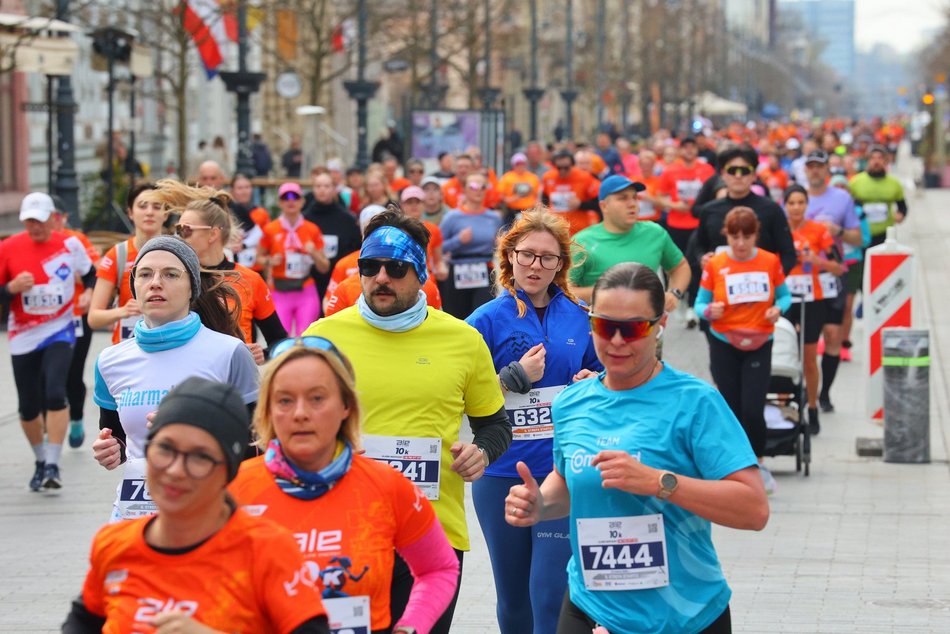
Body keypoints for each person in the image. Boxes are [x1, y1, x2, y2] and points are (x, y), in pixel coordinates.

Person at [506, 262, 769, 634]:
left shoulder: (695, 402)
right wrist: (540, 504)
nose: (616, 341)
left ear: (659, 326)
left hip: (682, 616)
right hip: (589, 604)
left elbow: (754, 509)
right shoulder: (572, 402)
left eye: (631, 328)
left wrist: (658, 482)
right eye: (604, 325)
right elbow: (567, 481)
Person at [303, 209, 512, 634]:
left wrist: (482, 453)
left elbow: (495, 425)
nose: (381, 277)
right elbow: (287, 432)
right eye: (369, 266)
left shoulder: (462, 339)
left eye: (396, 268)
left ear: (419, 274)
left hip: (432, 537)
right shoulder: (322, 337)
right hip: (345, 534)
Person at [64, 377, 331, 634]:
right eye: (165, 449)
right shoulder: (114, 543)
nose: (176, 470)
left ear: (229, 470)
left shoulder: (266, 550)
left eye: (199, 457)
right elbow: (83, 619)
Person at [231, 339, 460, 634]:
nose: (300, 413)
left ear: (345, 406)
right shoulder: (235, 491)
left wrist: (411, 627)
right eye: (285, 400)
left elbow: (439, 568)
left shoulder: (387, 486)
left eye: (317, 398)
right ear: (267, 411)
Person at [466, 209, 602, 634]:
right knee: (513, 597)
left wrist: (592, 381)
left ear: (561, 264)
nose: (535, 266)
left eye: (547, 258)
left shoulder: (580, 317)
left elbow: (613, 377)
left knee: (548, 593)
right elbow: (456, 390)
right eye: (527, 255)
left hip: (559, 472)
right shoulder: (484, 321)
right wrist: (511, 378)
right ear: (509, 257)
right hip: (501, 473)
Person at [91, 237, 260, 521]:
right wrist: (111, 450)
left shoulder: (229, 352)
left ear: (192, 287)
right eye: (145, 274)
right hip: (136, 516)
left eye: (170, 274)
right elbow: (119, 438)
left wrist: (194, 433)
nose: (155, 283)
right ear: (134, 286)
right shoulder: (110, 360)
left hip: (210, 513)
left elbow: (259, 444)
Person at [0, 192, 95, 490]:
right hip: (23, 334)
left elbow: (91, 275)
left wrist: (91, 292)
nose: (35, 227)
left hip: (60, 329)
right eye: (29, 221)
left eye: (40, 221)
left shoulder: (69, 244)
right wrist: (11, 288)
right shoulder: (9, 248)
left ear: (54, 218)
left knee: (55, 392)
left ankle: (54, 463)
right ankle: (40, 459)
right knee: (28, 406)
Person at [695, 207, 792, 494]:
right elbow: (700, 303)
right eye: (735, 236)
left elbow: (784, 296)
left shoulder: (769, 261)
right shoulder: (715, 264)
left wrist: (778, 309)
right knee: (729, 405)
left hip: (760, 341)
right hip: (725, 341)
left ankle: (757, 462)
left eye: (747, 236)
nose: (740, 243)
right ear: (727, 234)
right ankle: (731, 465)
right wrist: (710, 310)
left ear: (755, 235)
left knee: (752, 407)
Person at [159, 179, 287, 361]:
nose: (179, 236)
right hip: (188, 380)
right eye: (178, 230)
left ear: (213, 234)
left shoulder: (249, 279)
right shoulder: (175, 276)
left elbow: (280, 341)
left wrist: (263, 354)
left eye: (186, 230)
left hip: (235, 384)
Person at [569, 175, 690, 313]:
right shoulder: (581, 242)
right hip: (601, 328)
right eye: (623, 198)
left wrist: (674, 293)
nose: (632, 203)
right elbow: (564, 290)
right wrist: (608, 293)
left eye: (635, 197)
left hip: (647, 327)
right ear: (604, 206)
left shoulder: (655, 233)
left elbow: (680, 267)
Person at [802, 150, 863, 410]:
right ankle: (807, 390)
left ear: (827, 169)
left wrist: (836, 230)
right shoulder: (796, 199)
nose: (815, 171)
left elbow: (857, 239)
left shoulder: (842, 198)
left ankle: (825, 393)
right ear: (805, 170)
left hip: (832, 274)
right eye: (811, 166)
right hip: (802, 277)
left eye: (820, 166)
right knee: (806, 340)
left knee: (833, 333)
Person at [782, 185, 844, 435]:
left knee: (809, 357)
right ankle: (784, 406)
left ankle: (812, 407)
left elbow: (839, 267)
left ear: (807, 205)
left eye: (801, 202)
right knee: (785, 353)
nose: (796, 207)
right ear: (785, 205)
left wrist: (816, 261)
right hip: (785, 300)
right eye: (792, 203)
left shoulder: (819, 231)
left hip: (813, 299)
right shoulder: (779, 231)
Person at [693, 145, 797, 276]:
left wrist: (775, 281)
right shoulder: (709, 211)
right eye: (732, 170)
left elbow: (788, 254)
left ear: (754, 175)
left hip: (762, 288)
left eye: (744, 171)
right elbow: (699, 246)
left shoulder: (772, 210)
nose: (738, 176)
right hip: (721, 287)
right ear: (723, 175)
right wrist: (702, 258)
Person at [49, 196, 101, 448]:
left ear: (64, 217)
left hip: (76, 316)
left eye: (56, 216)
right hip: (43, 320)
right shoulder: (34, 243)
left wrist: (87, 291)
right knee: (44, 373)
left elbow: (94, 271)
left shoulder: (76, 240)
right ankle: (51, 422)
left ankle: (77, 419)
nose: (52, 221)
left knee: (72, 371)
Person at [88, 183, 169, 345]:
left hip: (167, 348)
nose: (149, 212)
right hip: (127, 352)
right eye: (142, 206)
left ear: (166, 214)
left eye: (157, 206)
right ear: (130, 213)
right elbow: (93, 318)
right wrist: (123, 311)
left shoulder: (178, 253)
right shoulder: (118, 254)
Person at [258, 182, 330, 336]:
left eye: (295, 197)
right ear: (279, 202)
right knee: (281, 338)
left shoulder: (312, 229)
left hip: (305, 291)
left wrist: (314, 253)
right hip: (279, 291)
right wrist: (270, 261)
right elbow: (258, 259)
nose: (291, 201)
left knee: (305, 338)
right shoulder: (271, 229)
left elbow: (324, 267)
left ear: (302, 202)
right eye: (285, 197)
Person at [439, 171, 504, 318]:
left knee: (484, 315)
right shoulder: (452, 217)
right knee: (456, 318)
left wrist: (500, 244)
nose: (479, 190)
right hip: (457, 270)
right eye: (474, 186)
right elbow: (437, 247)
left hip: (484, 270)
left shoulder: (493, 218)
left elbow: (501, 245)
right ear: (465, 189)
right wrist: (458, 241)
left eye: (483, 186)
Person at [302, 168, 362, 301]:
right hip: (310, 282)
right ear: (313, 189)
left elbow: (355, 249)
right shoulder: (304, 218)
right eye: (318, 186)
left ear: (334, 189)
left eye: (326, 186)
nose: (322, 190)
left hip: (339, 280)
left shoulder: (347, 219)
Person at [541, 150, 601, 235]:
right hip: (555, 230)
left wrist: (580, 205)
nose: (562, 171)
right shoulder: (548, 177)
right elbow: (545, 199)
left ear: (573, 165)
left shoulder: (585, 177)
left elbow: (600, 202)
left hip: (579, 231)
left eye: (566, 168)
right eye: (559, 168)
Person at [228, 172, 271, 273]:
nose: (244, 191)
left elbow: (267, 239)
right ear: (232, 190)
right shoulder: (226, 213)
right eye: (240, 188)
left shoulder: (261, 213)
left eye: (247, 187)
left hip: (256, 267)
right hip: (234, 266)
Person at [497, 152, 541, 225]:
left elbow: (537, 195)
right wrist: (512, 199)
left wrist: (537, 205)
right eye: (518, 164)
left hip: (529, 211)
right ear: (513, 165)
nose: (520, 166)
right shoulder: (507, 177)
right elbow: (501, 196)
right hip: (512, 211)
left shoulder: (533, 177)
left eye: (522, 163)